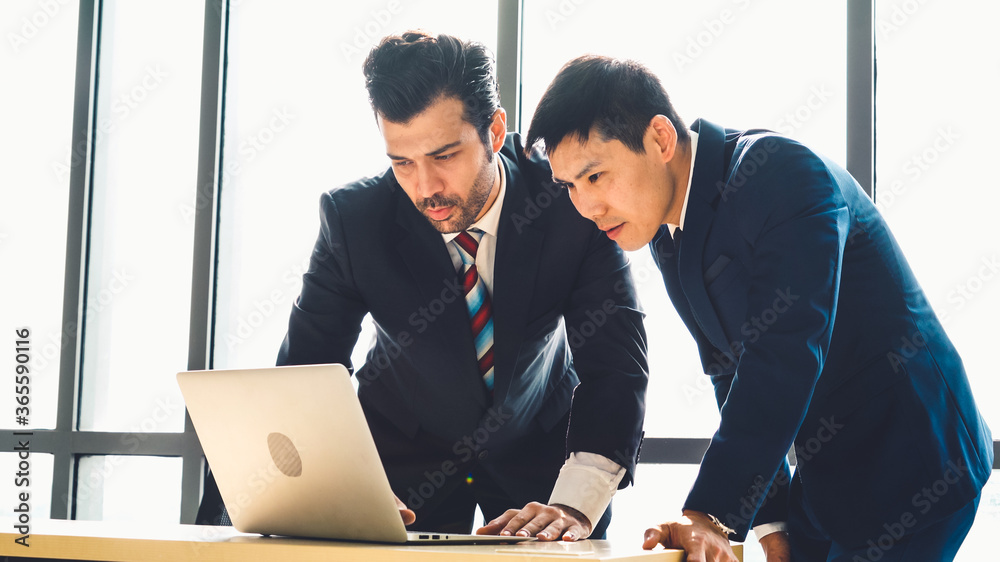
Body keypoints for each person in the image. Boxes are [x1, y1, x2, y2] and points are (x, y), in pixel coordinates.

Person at [507, 54, 993, 560]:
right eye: (570, 188)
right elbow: (726, 371)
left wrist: (709, 516)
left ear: (659, 138)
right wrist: (770, 525)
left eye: (596, 176)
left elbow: (784, 355)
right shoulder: (668, 233)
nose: (586, 207)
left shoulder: (782, 174)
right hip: (828, 479)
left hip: (916, 461)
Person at [196, 33, 648, 542]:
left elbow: (614, 366)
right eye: (402, 162)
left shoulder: (571, 199)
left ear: (495, 131)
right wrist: (339, 479)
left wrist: (577, 502)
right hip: (401, 463)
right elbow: (305, 370)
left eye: (445, 156)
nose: (426, 187)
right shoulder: (354, 220)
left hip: (543, 461)